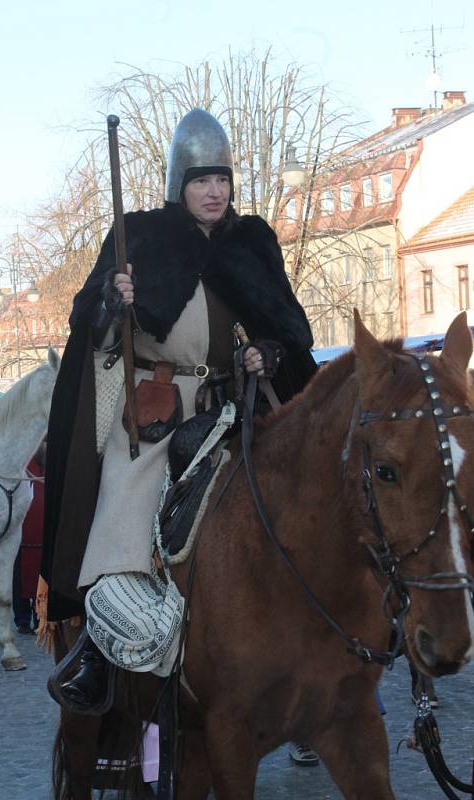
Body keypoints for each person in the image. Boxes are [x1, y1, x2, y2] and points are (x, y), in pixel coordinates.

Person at [40, 108, 317, 709]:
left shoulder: (252, 243)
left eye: (221, 180)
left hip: (225, 406)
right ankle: (99, 647)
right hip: (156, 409)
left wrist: (266, 354)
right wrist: (114, 306)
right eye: (200, 181)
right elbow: (92, 329)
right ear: (178, 185)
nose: (213, 192)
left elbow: (288, 332)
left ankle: (309, 643)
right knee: (128, 497)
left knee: (295, 500)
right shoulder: (140, 236)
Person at [13, 439, 46, 634]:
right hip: (22, 527)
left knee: (42, 570)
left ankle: (40, 613)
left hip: (44, 525)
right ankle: (23, 617)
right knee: (19, 573)